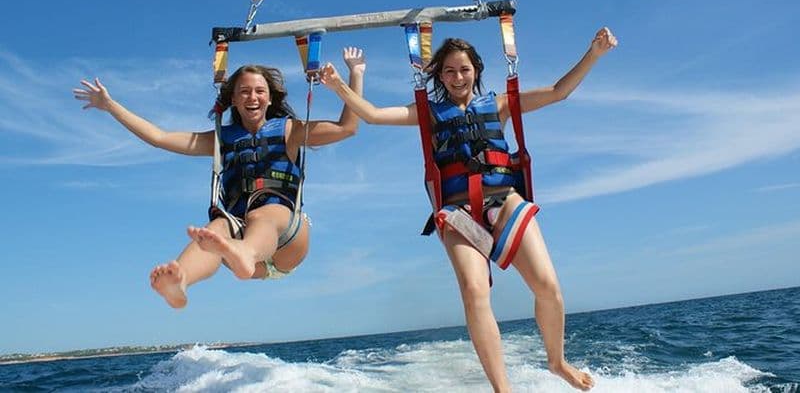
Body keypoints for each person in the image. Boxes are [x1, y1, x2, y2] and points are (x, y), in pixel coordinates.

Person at [319, 29, 617, 392]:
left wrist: (594, 54)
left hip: (503, 200)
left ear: (476, 70)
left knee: (548, 287)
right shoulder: (429, 113)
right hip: (457, 212)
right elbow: (374, 115)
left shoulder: (500, 104)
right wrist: (340, 85)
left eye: (464, 70)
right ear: (439, 75)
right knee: (475, 292)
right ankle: (502, 389)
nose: (457, 77)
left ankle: (557, 362)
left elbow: (558, 92)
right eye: (449, 71)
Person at [73, 47, 366, 309]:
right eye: (244, 92)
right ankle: (180, 281)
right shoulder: (220, 139)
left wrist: (355, 74)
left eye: (259, 91)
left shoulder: (290, 130)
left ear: (269, 98)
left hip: (287, 241)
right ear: (233, 100)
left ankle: (245, 253)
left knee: (264, 214)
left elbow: (347, 128)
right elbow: (159, 137)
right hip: (240, 246)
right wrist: (110, 106)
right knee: (216, 227)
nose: (253, 97)